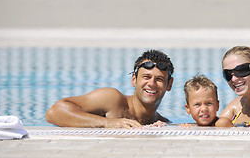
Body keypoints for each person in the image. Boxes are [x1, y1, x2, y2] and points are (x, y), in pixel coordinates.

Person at [46, 49, 174, 128]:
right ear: (134, 79)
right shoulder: (112, 99)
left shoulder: (161, 122)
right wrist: (107, 123)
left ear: (169, 85)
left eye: (159, 79)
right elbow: (54, 112)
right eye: (146, 77)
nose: (151, 83)